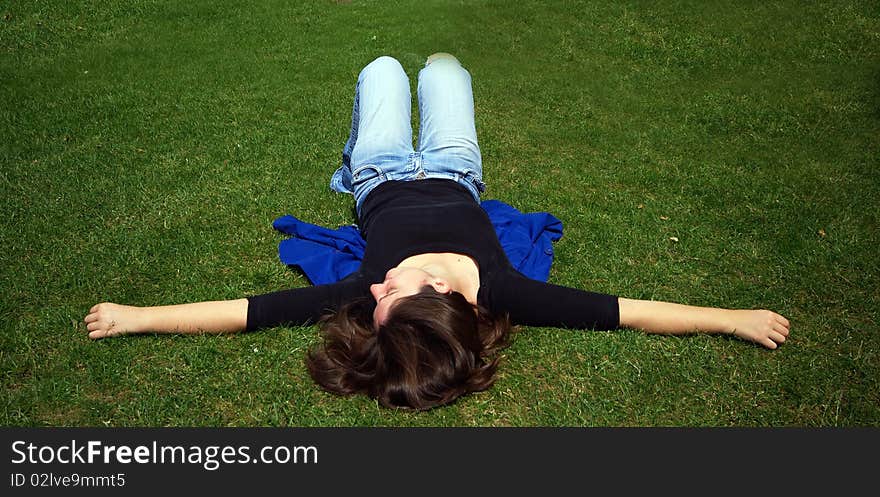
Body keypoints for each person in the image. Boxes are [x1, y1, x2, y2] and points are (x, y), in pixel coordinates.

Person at [84, 53, 791, 410]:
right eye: (390, 290)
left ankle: (361, 134)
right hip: (456, 170)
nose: (372, 283)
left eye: (376, 296)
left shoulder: (368, 304)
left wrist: (138, 317)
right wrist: (732, 319)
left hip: (380, 172)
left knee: (383, 66)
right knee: (447, 67)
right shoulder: (507, 288)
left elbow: (249, 312)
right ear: (434, 291)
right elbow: (625, 311)